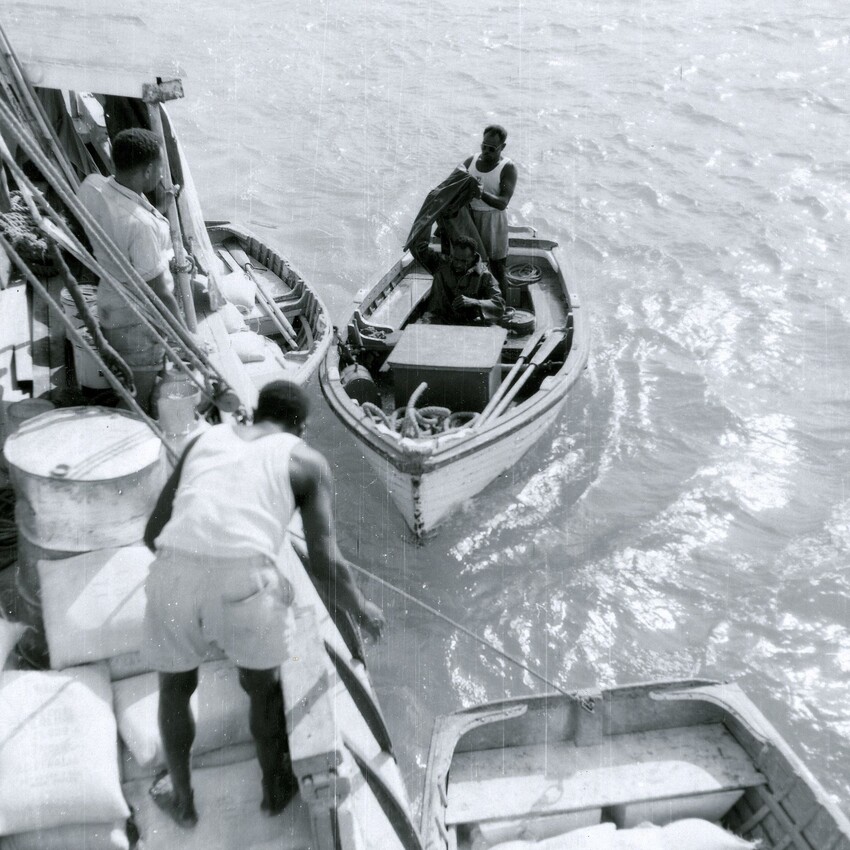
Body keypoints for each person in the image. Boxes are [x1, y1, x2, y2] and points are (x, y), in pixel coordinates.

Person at [140, 380, 386, 828]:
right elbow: (327, 565)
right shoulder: (306, 461)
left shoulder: (202, 438)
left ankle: (183, 799)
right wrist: (363, 609)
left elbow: (150, 531)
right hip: (246, 580)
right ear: (301, 427)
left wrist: (196, 591)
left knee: (174, 689)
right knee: (263, 687)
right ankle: (275, 787)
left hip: (173, 569)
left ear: (255, 413)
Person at [76, 128, 184, 411]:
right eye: (160, 168)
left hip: (110, 302)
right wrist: (186, 336)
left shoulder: (91, 185)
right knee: (138, 403)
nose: (162, 175)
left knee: (127, 384)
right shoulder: (139, 226)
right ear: (148, 170)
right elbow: (158, 291)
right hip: (137, 322)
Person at [463, 124, 518, 293]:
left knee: (497, 268)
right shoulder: (470, 161)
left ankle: (503, 309)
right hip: (470, 218)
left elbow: (503, 202)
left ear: (503, 147)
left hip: (493, 221)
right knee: (468, 264)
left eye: (492, 149)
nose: (486, 151)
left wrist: (481, 194)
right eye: (483, 146)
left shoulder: (508, 168)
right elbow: (451, 184)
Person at [421, 234, 505, 325]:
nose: (458, 264)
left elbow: (499, 305)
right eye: (455, 259)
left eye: (463, 261)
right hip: (446, 323)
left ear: (473, 257)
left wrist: (475, 302)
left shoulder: (485, 275)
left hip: (473, 325)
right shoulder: (442, 271)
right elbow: (433, 308)